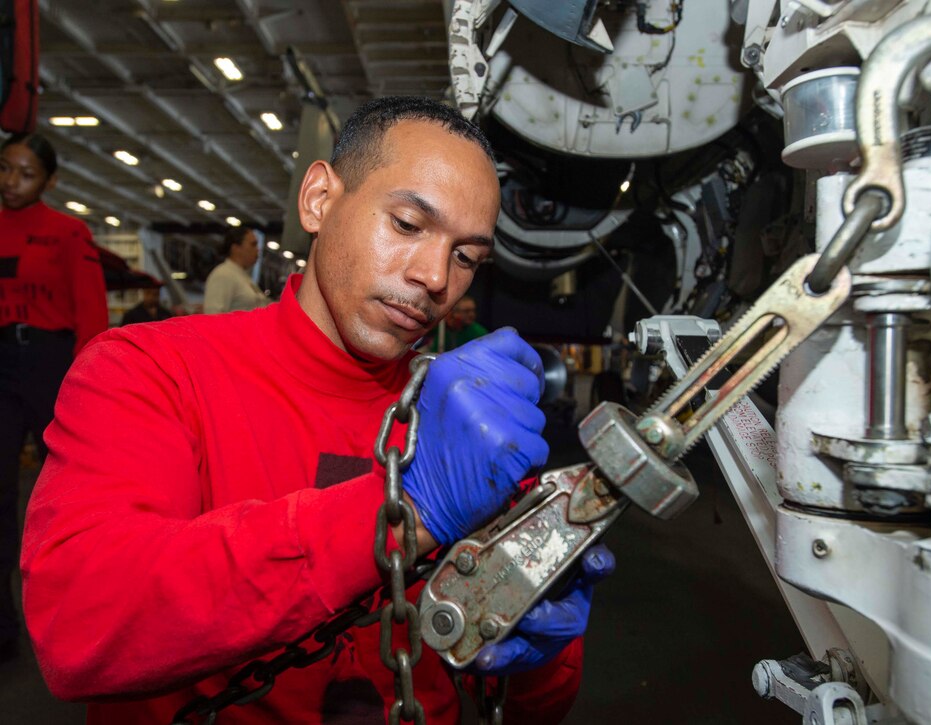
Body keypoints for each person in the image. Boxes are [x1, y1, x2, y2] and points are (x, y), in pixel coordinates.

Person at [21, 97, 612, 724]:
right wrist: (403, 514)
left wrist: (542, 656)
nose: (436, 276)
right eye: (409, 224)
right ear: (319, 201)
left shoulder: (466, 430)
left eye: (466, 256)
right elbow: (79, 626)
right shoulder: (149, 370)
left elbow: (532, 710)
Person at [0, 132, 107, 660]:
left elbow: (91, 314)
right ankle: (0, 627)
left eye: (26, 173)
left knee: (67, 500)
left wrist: (89, 389)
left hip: (49, 366)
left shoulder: (67, 233)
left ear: (49, 181)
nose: (11, 182)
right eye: (5, 168)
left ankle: (81, 620)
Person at [203, 226, 271, 313]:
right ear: (235, 248)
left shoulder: (242, 277)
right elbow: (213, 316)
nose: (258, 249)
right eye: (253, 244)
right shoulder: (223, 275)